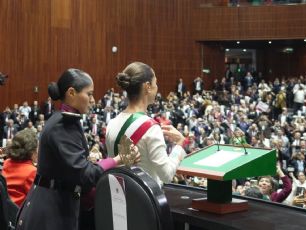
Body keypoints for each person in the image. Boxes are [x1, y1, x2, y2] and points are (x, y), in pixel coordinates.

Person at [15, 68, 140, 230]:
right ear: (72, 93)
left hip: (52, 204)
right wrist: (118, 159)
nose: (93, 100)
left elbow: (71, 167)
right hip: (51, 213)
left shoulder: (61, 119)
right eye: (89, 94)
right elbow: (85, 175)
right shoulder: (64, 124)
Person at [106, 62, 187, 186]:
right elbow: (167, 175)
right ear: (148, 86)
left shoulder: (111, 123)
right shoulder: (151, 128)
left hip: (119, 199)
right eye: (156, 83)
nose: (157, 87)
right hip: (144, 202)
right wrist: (180, 144)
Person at [1, 129, 38, 206]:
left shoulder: (7, 162)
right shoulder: (32, 171)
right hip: (18, 214)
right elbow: (36, 199)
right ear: (31, 151)